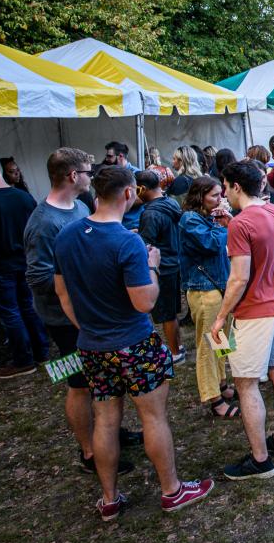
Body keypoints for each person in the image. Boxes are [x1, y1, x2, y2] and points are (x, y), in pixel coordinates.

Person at [54, 165, 213, 519]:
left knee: (106, 419)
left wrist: (89, 327)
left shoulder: (66, 235)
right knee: (153, 417)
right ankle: (171, 490)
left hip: (93, 345)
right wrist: (152, 264)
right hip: (134, 342)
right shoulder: (128, 241)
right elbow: (145, 302)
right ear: (129, 193)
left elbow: (62, 293)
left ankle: (109, 498)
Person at [27, 148, 141, 470]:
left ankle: (111, 433)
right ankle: (90, 451)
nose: (93, 178)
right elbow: (36, 277)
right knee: (77, 384)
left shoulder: (79, 207)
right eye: (89, 172)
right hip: (62, 321)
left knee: (103, 382)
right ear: (73, 176)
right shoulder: (44, 222)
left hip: (91, 314)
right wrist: (84, 279)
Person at [211, 160, 274, 480]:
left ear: (236, 187)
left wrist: (220, 317)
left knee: (246, 384)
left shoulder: (240, 225)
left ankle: (261, 460)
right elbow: (267, 245)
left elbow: (238, 278)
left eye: (225, 186)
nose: (223, 192)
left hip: (255, 311)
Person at [178, 176, 238, 418]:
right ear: (199, 195)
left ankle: (221, 380)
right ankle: (213, 397)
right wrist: (224, 225)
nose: (220, 199)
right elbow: (211, 243)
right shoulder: (190, 219)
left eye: (220, 194)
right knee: (208, 343)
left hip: (219, 285)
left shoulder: (208, 217)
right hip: (204, 289)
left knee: (223, 338)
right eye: (214, 195)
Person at [0, 153, 44, 377]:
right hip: (24, 262)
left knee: (10, 313)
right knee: (28, 306)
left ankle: (23, 360)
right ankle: (41, 351)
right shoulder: (23, 198)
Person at [135, 170, 184, 363]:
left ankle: (174, 353)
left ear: (142, 189)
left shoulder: (150, 214)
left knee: (165, 314)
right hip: (175, 262)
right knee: (172, 313)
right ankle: (178, 346)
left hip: (162, 267)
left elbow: (146, 245)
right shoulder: (171, 203)